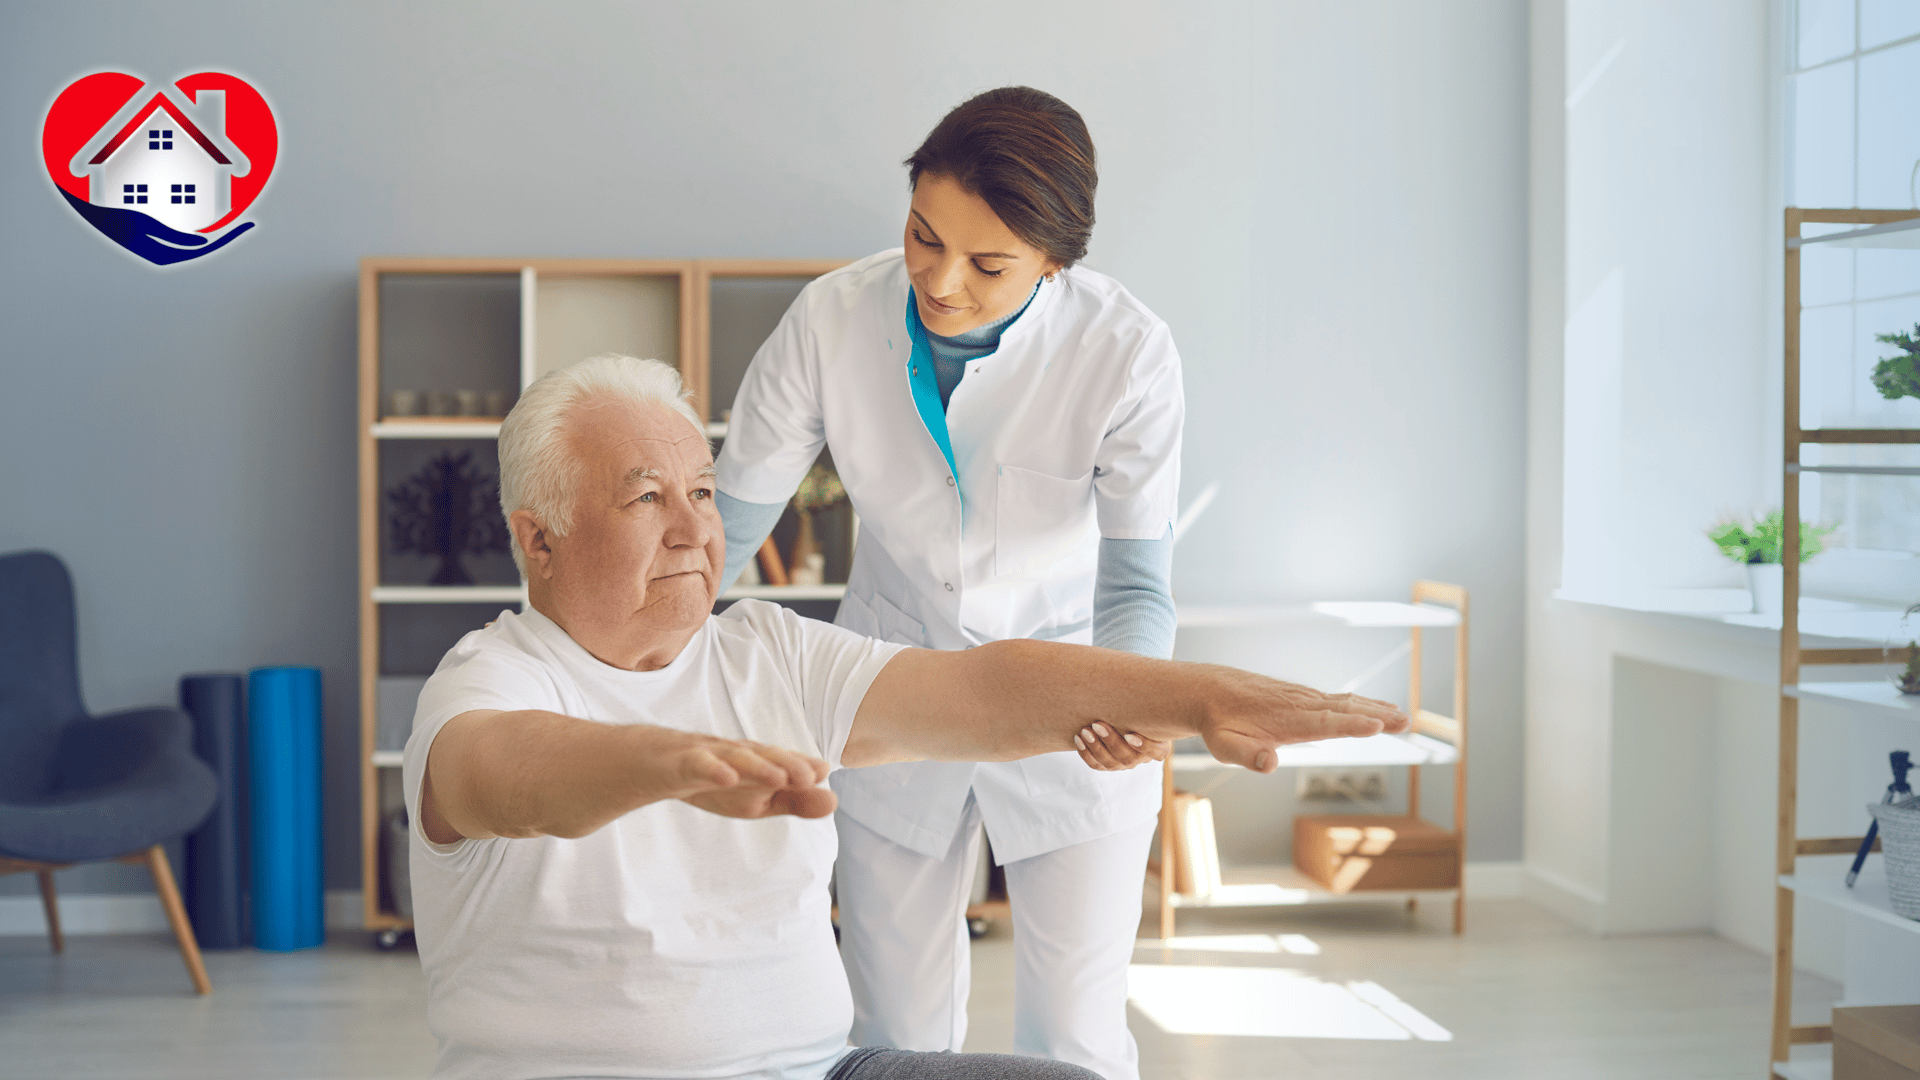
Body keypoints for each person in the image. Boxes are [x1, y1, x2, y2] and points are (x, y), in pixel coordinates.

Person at [403, 354, 1406, 1080]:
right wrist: (668, 762)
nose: (694, 528)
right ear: (539, 539)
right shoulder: (485, 682)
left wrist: (1201, 697)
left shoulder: (771, 650)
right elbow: (515, 778)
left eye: (704, 492)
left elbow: (982, 692)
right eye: (647, 498)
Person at [714, 87, 1182, 1079]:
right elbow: (727, 524)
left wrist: (1135, 694)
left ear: (1056, 262)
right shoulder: (832, 319)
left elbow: (1138, 589)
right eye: (924, 237)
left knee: (1079, 1039)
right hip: (894, 688)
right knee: (895, 1032)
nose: (942, 280)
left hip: (1072, 711)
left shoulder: (1126, 352)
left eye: (988, 263)